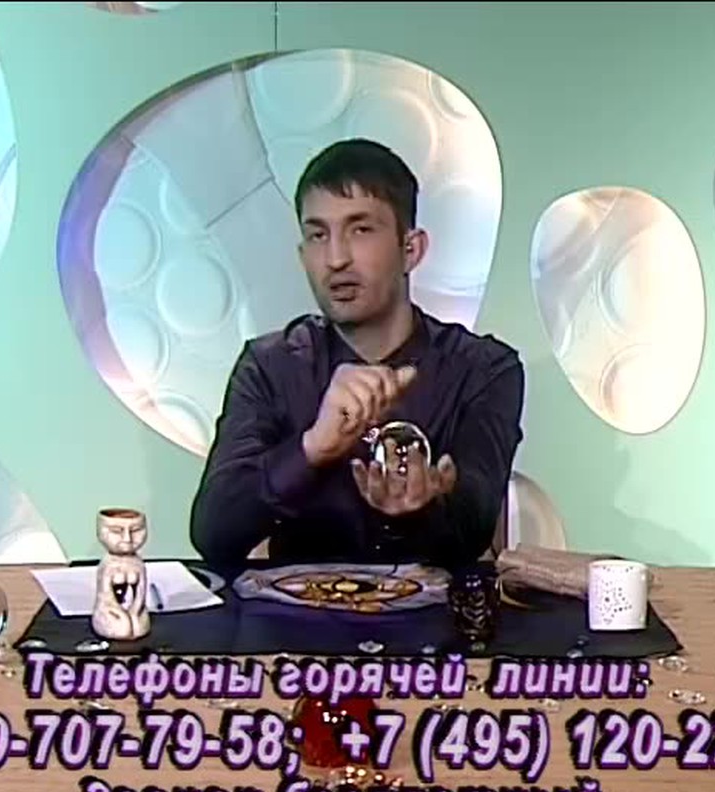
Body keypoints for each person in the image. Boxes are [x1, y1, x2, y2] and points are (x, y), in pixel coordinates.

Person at [190, 138, 525, 567]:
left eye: (360, 230)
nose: (335, 259)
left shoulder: (483, 370)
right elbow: (214, 535)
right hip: (297, 610)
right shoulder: (270, 366)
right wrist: (311, 449)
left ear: (411, 249)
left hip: (434, 610)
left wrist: (419, 511)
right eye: (318, 235)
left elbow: (472, 529)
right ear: (302, 255)